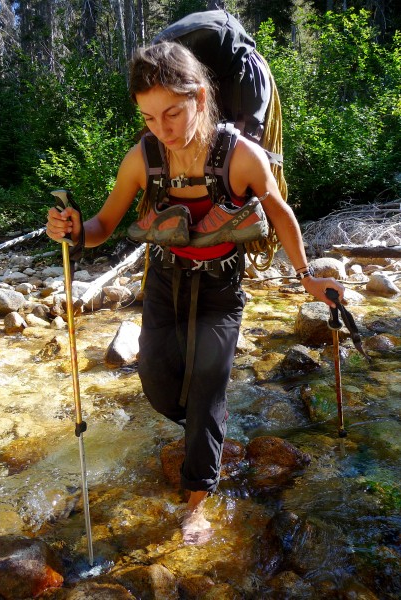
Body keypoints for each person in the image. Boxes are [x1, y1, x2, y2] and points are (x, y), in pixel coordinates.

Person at [46, 41, 345, 545]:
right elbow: (103, 224)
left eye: (172, 113)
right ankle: (206, 426)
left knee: (207, 393)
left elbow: (279, 213)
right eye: (148, 117)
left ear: (201, 98)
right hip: (163, 281)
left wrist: (306, 275)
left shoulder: (240, 156)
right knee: (158, 384)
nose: (161, 129)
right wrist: (73, 230)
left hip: (220, 288)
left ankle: (195, 504)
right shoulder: (143, 158)